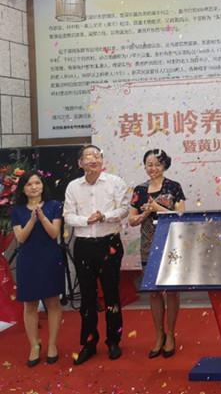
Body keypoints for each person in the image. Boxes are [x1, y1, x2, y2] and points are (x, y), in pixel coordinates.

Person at [63, 145, 129, 365]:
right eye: (88, 156)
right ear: (80, 163)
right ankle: (89, 343)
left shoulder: (115, 182)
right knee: (87, 297)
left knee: (111, 294)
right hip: (83, 245)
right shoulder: (73, 186)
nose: (93, 159)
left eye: (97, 156)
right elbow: (68, 215)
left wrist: (104, 216)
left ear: (102, 161)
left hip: (109, 244)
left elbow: (123, 210)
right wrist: (86, 220)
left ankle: (113, 340)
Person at [129, 149, 185, 358]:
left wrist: (157, 207)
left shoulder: (173, 186)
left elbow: (180, 215)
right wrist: (146, 212)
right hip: (148, 245)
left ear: (165, 166)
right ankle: (159, 334)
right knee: (154, 292)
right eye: (149, 164)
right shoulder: (139, 190)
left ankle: (170, 334)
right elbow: (132, 220)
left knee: (171, 291)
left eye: (157, 164)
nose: (153, 168)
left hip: (171, 245)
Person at [11, 171, 64, 367]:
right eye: (29, 184)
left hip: (50, 259)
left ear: (43, 185)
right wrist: (32, 220)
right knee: (30, 304)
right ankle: (34, 345)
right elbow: (21, 238)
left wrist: (41, 216)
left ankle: (52, 344)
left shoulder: (54, 205)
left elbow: (54, 233)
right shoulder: (17, 210)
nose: (34, 187)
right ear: (23, 189)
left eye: (37, 183)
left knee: (53, 302)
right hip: (28, 261)